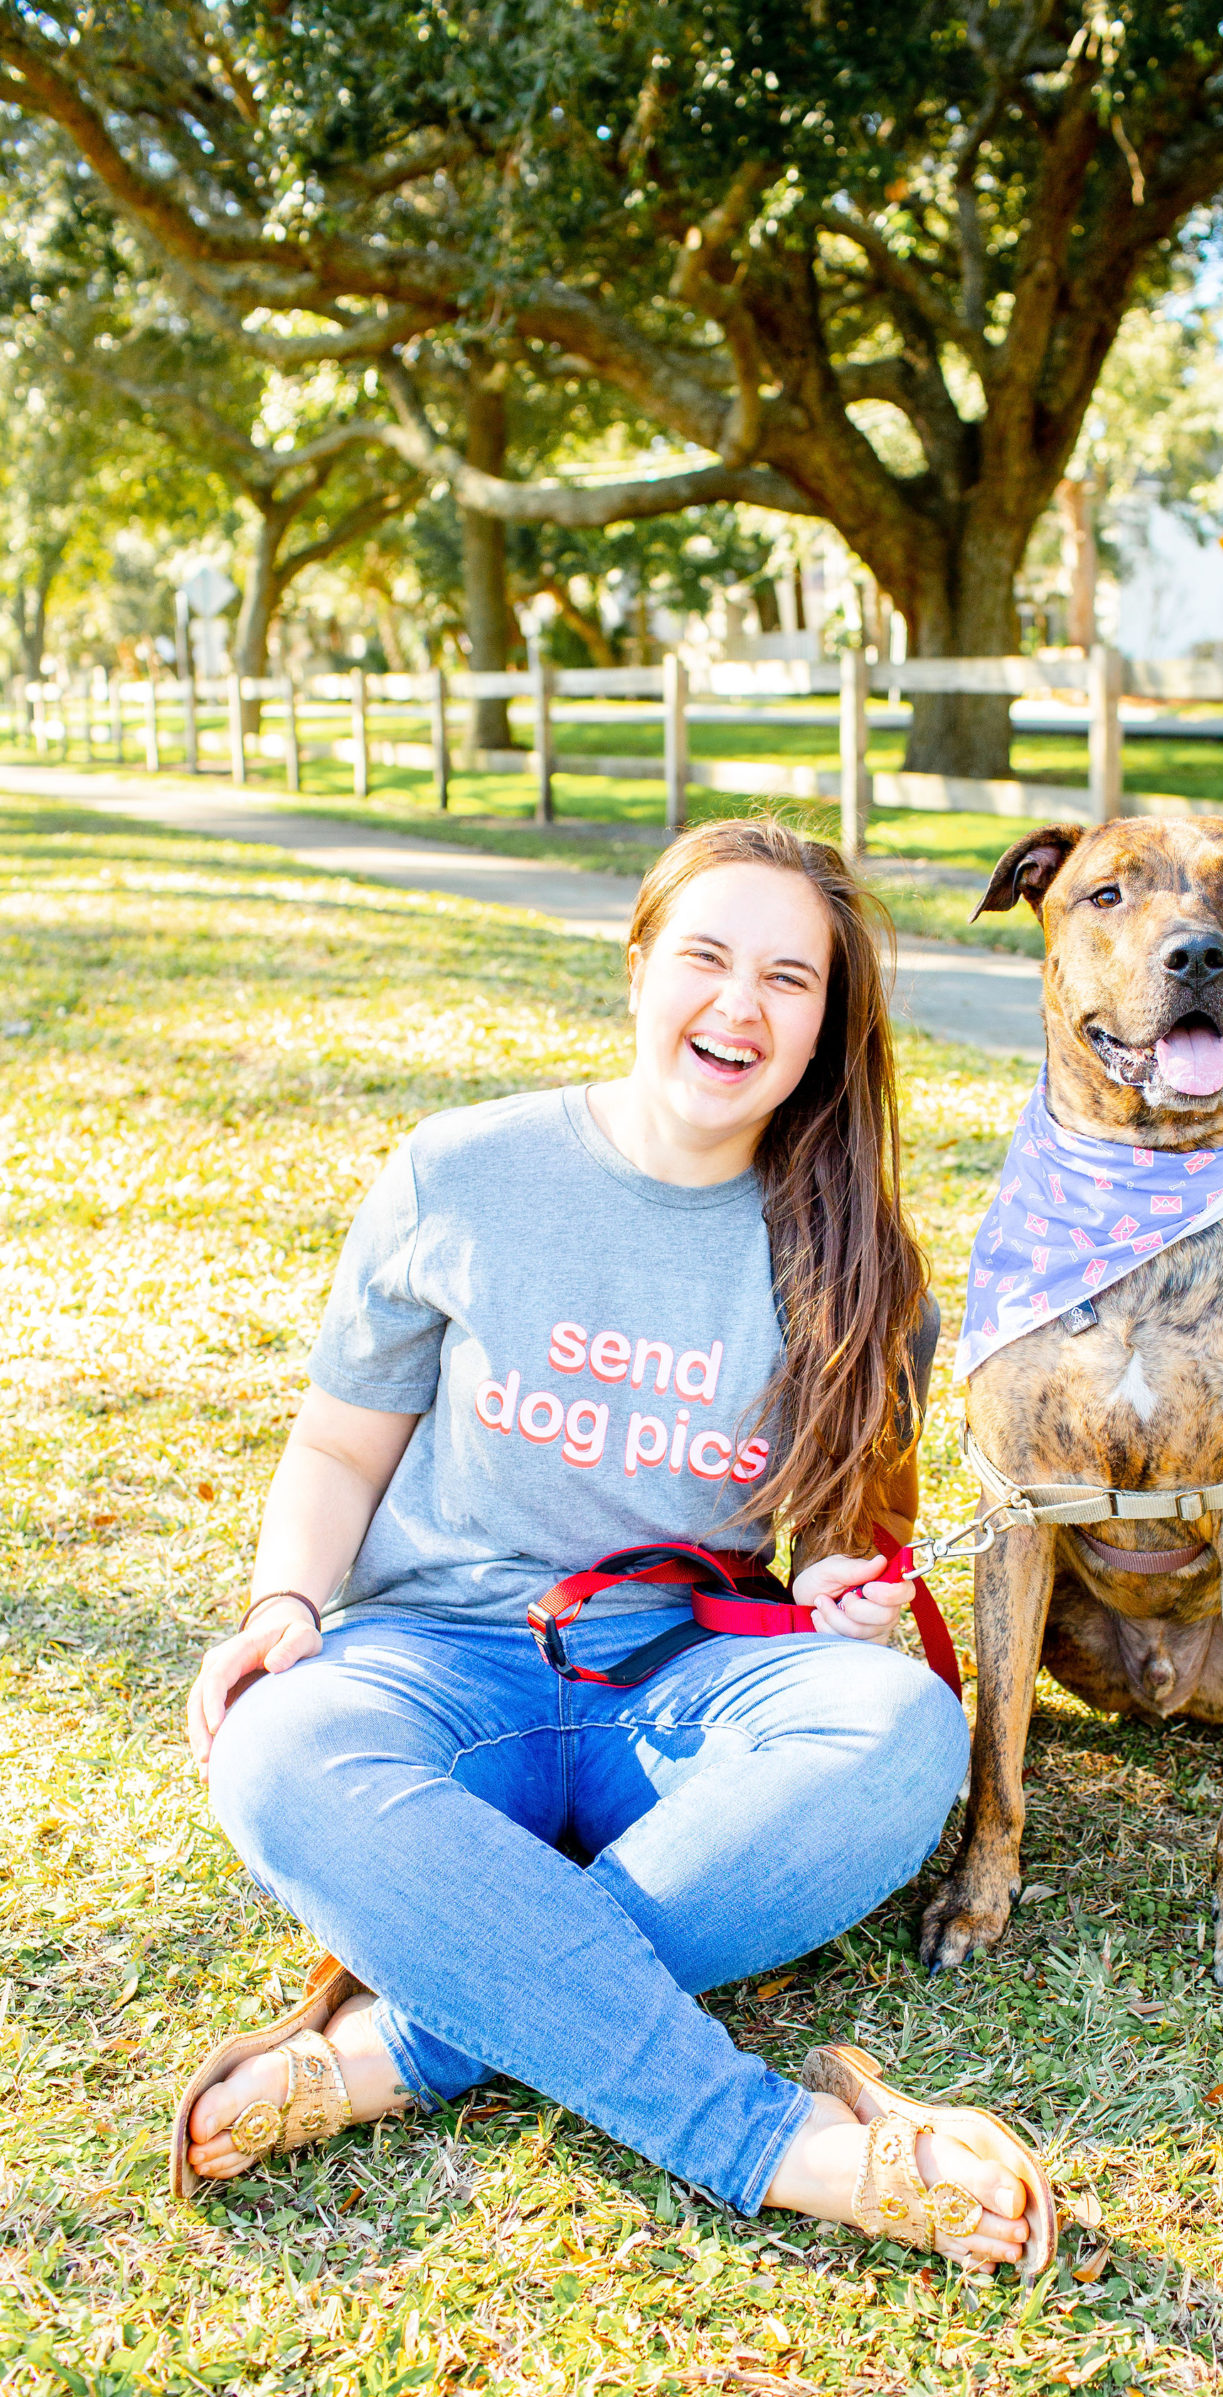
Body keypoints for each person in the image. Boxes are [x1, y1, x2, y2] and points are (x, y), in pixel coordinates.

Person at [174, 817, 1054, 2275]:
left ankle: (412, 2045)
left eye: (790, 978)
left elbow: (841, 1537)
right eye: (707, 956)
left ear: (827, 1027)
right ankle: (778, 2147)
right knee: (273, 1752)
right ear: (638, 964)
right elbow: (339, 1444)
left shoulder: (857, 1253)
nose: (741, 1005)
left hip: (683, 1683)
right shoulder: (462, 1173)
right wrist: (285, 1602)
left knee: (904, 1733)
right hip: (435, 1664)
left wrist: (846, 1596)